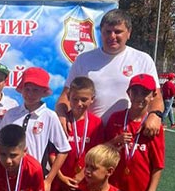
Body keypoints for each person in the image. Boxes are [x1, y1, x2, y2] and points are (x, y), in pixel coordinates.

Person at [55, 9, 164, 137]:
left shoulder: (142, 59)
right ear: (101, 32)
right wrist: (61, 113)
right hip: (91, 135)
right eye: (108, 31)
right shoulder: (83, 60)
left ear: (129, 33)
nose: (112, 36)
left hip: (126, 135)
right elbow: (66, 96)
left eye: (118, 31)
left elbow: (156, 97)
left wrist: (155, 115)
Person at [103, 74, 165, 191]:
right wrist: (115, 141)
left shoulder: (154, 127)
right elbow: (102, 150)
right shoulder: (116, 119)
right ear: (128, 93)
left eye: (144, 93)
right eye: (135, 91)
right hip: (115, 188)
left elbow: (158, 164)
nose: (139, 96)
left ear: (153, 95)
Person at [0, 67, 71, 191]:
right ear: (22, 89)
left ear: (43, 92)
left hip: (34, 177)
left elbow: (63, 150)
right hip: (8, 176)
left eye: (35, 90)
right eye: (27, 89)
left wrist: (49, 180)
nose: (30, 94)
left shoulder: (49, 116)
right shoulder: (11, 114)